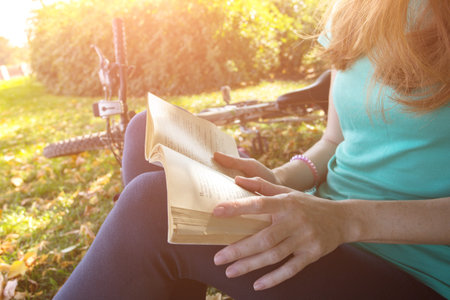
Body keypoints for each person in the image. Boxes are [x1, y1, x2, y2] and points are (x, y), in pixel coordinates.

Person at [54, 0, 449, 299]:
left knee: (152, 206)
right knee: (146, 133)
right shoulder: (354, 8)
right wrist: (278, 178)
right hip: (323, 219)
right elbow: (335, 141)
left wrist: (344, 221)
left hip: (414, 268)